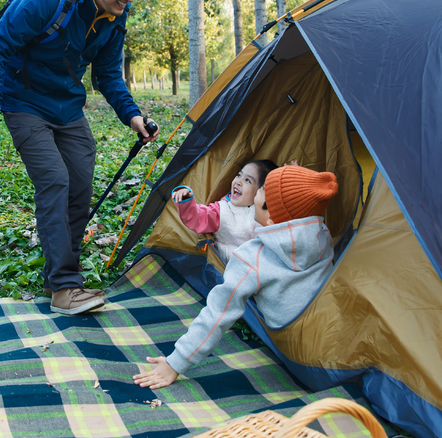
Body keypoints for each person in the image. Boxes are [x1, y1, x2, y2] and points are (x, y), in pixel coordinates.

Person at [0, 0, 158, 316]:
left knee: (80, 182)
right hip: (23, 102)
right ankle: (65, 287)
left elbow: (109, 74)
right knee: (54, 180)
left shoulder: (116, 16)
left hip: (68, 108)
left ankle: (58, 276)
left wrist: (132, 116)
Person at [133, 165, 338, 389]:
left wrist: (175, 363)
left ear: (270, 219)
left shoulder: (253, 258)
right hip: (330, 333)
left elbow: (217, 314)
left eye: (260, 192)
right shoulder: (322, 233)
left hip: (300, 353)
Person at [171, 160, 277, 264]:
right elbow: (198, 218)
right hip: (227, 267)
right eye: (239, 175)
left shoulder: (263, 211)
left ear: (261, 191)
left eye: (248, 180)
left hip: (259, 268)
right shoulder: (223, 210)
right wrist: (186, 201)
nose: (238, 182)